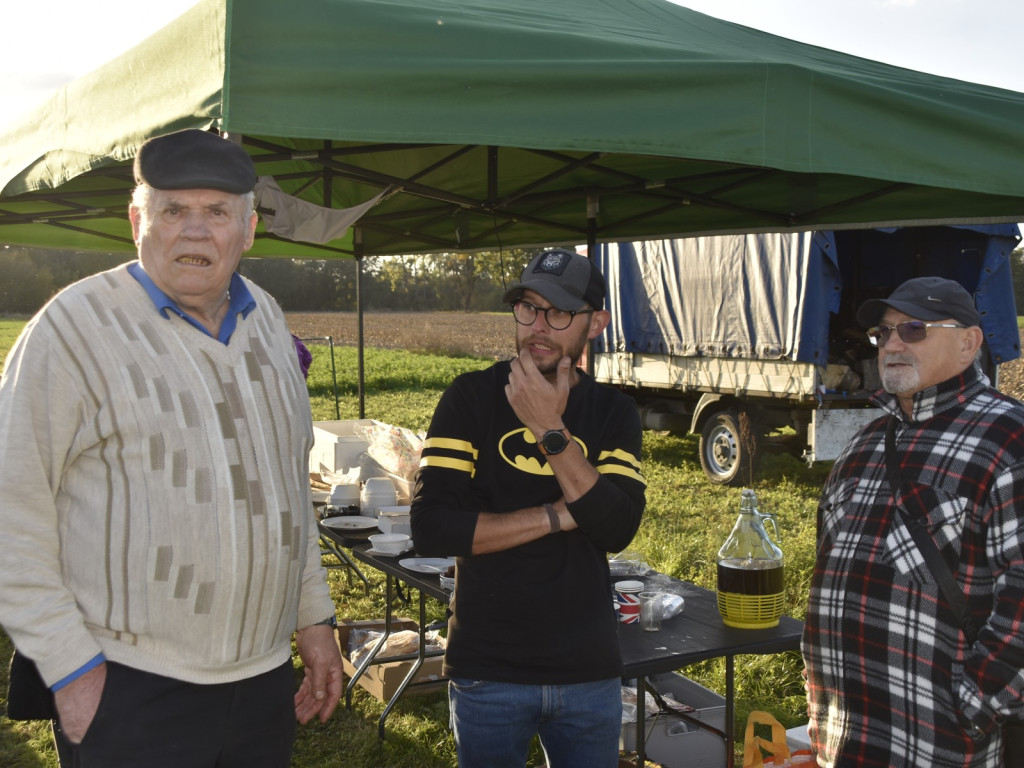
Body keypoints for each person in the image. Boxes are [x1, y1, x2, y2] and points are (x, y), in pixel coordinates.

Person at [0, 129, 343, 767]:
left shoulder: (266, 320)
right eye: (172, 210)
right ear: (138, 220)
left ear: (248, 230)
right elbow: (9, 512)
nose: (194, 231)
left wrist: (314, 621)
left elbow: (287, 491)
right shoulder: (70, 331)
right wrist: (72, 669)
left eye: (216, 213)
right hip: (129, 686)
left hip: (261, 686)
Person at [411, 247, 647, 768]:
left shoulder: (612, 411)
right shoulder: (469, 398)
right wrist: (560, 514)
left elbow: (617, 527)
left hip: (588, 670)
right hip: (488, 668)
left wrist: (548, 429)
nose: (538, 326)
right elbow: (431, 529)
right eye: (527, 308)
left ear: (596, 323)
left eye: (559, 312)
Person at [802, 276, 1024, 767]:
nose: (893, 344)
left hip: (940, 744)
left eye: (915, 329)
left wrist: (971, 705)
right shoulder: (863, 445)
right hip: (845, 736)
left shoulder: (1009, 441)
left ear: (969, 342)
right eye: (885, 333)